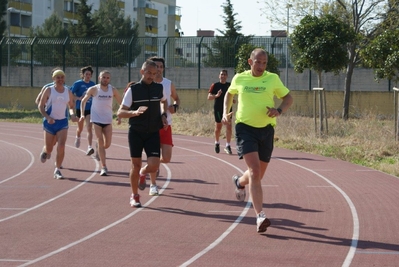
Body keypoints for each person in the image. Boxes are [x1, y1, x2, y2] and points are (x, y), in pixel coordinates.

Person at [222, 48, 293, 233]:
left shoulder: (272, 79)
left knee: (258, 175)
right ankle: (260, 216)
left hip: (267, 130)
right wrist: (225, 112)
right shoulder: (240, 78)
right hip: (245, 128)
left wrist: (279, 111)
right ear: (250, 61)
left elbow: (288, 98)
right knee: (254, 171)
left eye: (264, 63)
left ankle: (239, 182)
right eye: (258, 62)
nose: (261, 66)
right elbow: (229, 94)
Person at [117, 60, 168, 208]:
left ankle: (143, 174)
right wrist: (134, 112)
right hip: (136, 132)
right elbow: (120, 112)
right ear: (142, 72)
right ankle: (135, 196)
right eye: (149, 73)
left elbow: (164, 102)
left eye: (154, 73)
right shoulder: (133, 90)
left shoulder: (159, 88)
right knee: (136, 164)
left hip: (153, 132)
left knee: (154, 165)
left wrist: (163, 114)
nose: (151, 76)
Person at [148, 56, 180, 196]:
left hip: (166, 125)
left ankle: (155, 164)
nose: (159, 69)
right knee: (153, 156)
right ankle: (153, 185)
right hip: (151, 126)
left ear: (163, 68)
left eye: (161, 66)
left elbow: (176, 98)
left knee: (166, 158)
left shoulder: (168, 84)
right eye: (156, 66)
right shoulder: (146, 84)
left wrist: (175, 106)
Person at [80, 70, 122, 176]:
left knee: (107, 144)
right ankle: (104, 167)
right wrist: (82, 114)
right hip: (96, 120)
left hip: (107, 120)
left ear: (110, 79)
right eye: (104, 77)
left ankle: (99, 147)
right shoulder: (94, 89)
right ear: (99, 78)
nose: (105, 79)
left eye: (107, 78)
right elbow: (83, 101)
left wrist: (119, 116)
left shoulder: (113, 90)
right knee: (100, 141)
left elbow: (121, 103)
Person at [38, 69, 78, 179]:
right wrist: (48, 117)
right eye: (58, 77)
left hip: (62, 122)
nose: (60, 79)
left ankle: (57, 169)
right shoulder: (48, 90)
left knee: (61, 146)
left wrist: (72, 115)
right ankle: (45, 151)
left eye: (62, 77)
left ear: (64, 78)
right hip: (50, 122)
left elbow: (71, 106)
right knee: (50, 148)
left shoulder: (68, 91)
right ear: (53, 79)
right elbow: (40, 106)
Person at [70, 66, 96, 155]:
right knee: (80, 128)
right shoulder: (78, 83)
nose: (88, 76)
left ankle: (89, 147)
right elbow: (70, 93)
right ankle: (78, 136)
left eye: (89, 74)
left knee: (89, 127)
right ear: (83, 75)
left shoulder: (93, 84)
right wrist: (78, 98)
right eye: (86, 74)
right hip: (80, 108)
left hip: (89, 108)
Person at [208, 69, 233, 154]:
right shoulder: (215, 85)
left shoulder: (230, 85)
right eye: (221, 74)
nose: (223, 76)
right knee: (218, 127)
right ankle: (217, 143)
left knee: (229, 126)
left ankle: (228, 145)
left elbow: (232, 95)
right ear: (219, 76)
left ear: (227, 76)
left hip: (228, 109)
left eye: (225, 75)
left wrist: (233, 100)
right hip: (218, 109)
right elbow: (209, 97)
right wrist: (216, 95)